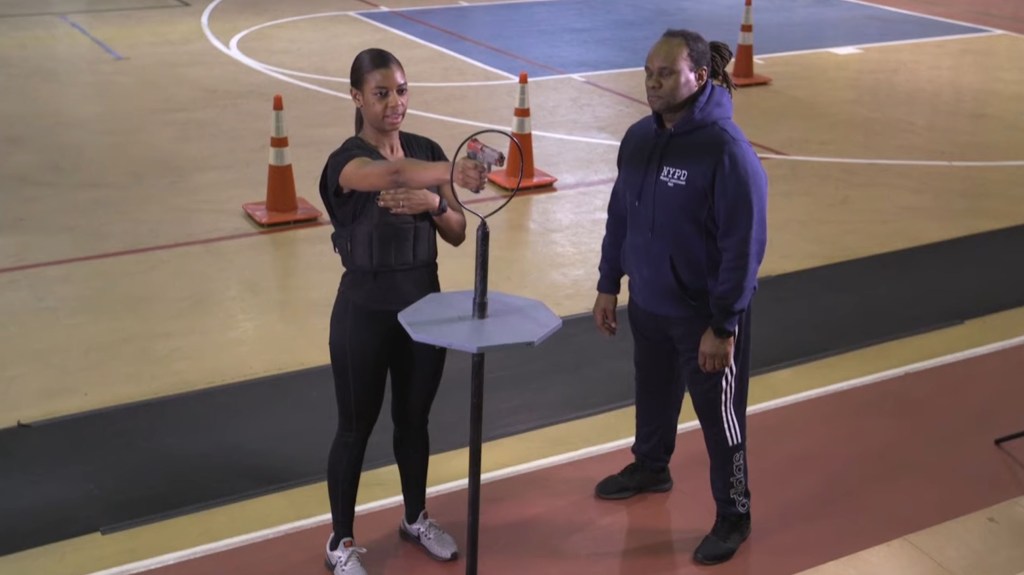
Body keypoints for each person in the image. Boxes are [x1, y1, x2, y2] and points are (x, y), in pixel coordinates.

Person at [592, 29, 768, 566]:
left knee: (721, 422)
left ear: (700, 75)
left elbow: (745, 246)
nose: (653, 82)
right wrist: (608, 281)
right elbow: (621, 213)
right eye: (649, 72)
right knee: (653, 396)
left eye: (666, 73)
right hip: (648, 304)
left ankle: (734, 514)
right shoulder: (639, 138)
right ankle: (651, 465)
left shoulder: (726, 150)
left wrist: (724, 325)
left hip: (703, 319)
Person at [317, 47, 488, 575]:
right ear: (356, 97)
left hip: (424, 312)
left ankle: (415, 517)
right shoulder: (346, 161)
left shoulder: (425, 148)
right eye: (381, 93)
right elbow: (382, 176)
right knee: (355, 427)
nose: (395, 103)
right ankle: (339, 542)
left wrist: (434, 203)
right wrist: (448, 172)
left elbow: (458, 232)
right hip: (363, 314)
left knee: (414, 420)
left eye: (402, 91)